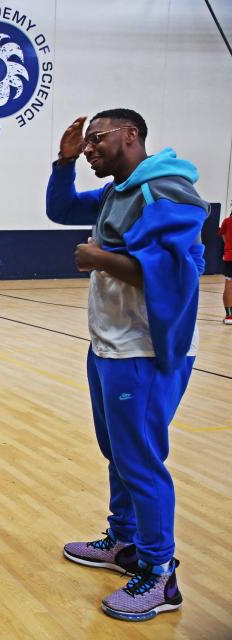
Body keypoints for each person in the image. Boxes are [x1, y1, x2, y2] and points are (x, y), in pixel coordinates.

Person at [46, 109, 208, 621]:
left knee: (140, 460)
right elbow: (62, 208)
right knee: (117, 453)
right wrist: (63, 161)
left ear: (131, 135)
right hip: (110, 346)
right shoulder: (120, 191)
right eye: (87, 142)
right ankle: (124, 542)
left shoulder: (165, 189)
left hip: (145, 349)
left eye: (97, 139)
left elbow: (179, 269)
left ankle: (161, 575)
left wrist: (99, 258)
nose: (91, 147)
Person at [219, 211, 232, 324]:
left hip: (230, 256)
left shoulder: (227, 221)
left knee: (229, 286)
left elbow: (224, 237)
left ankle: (229, 316)